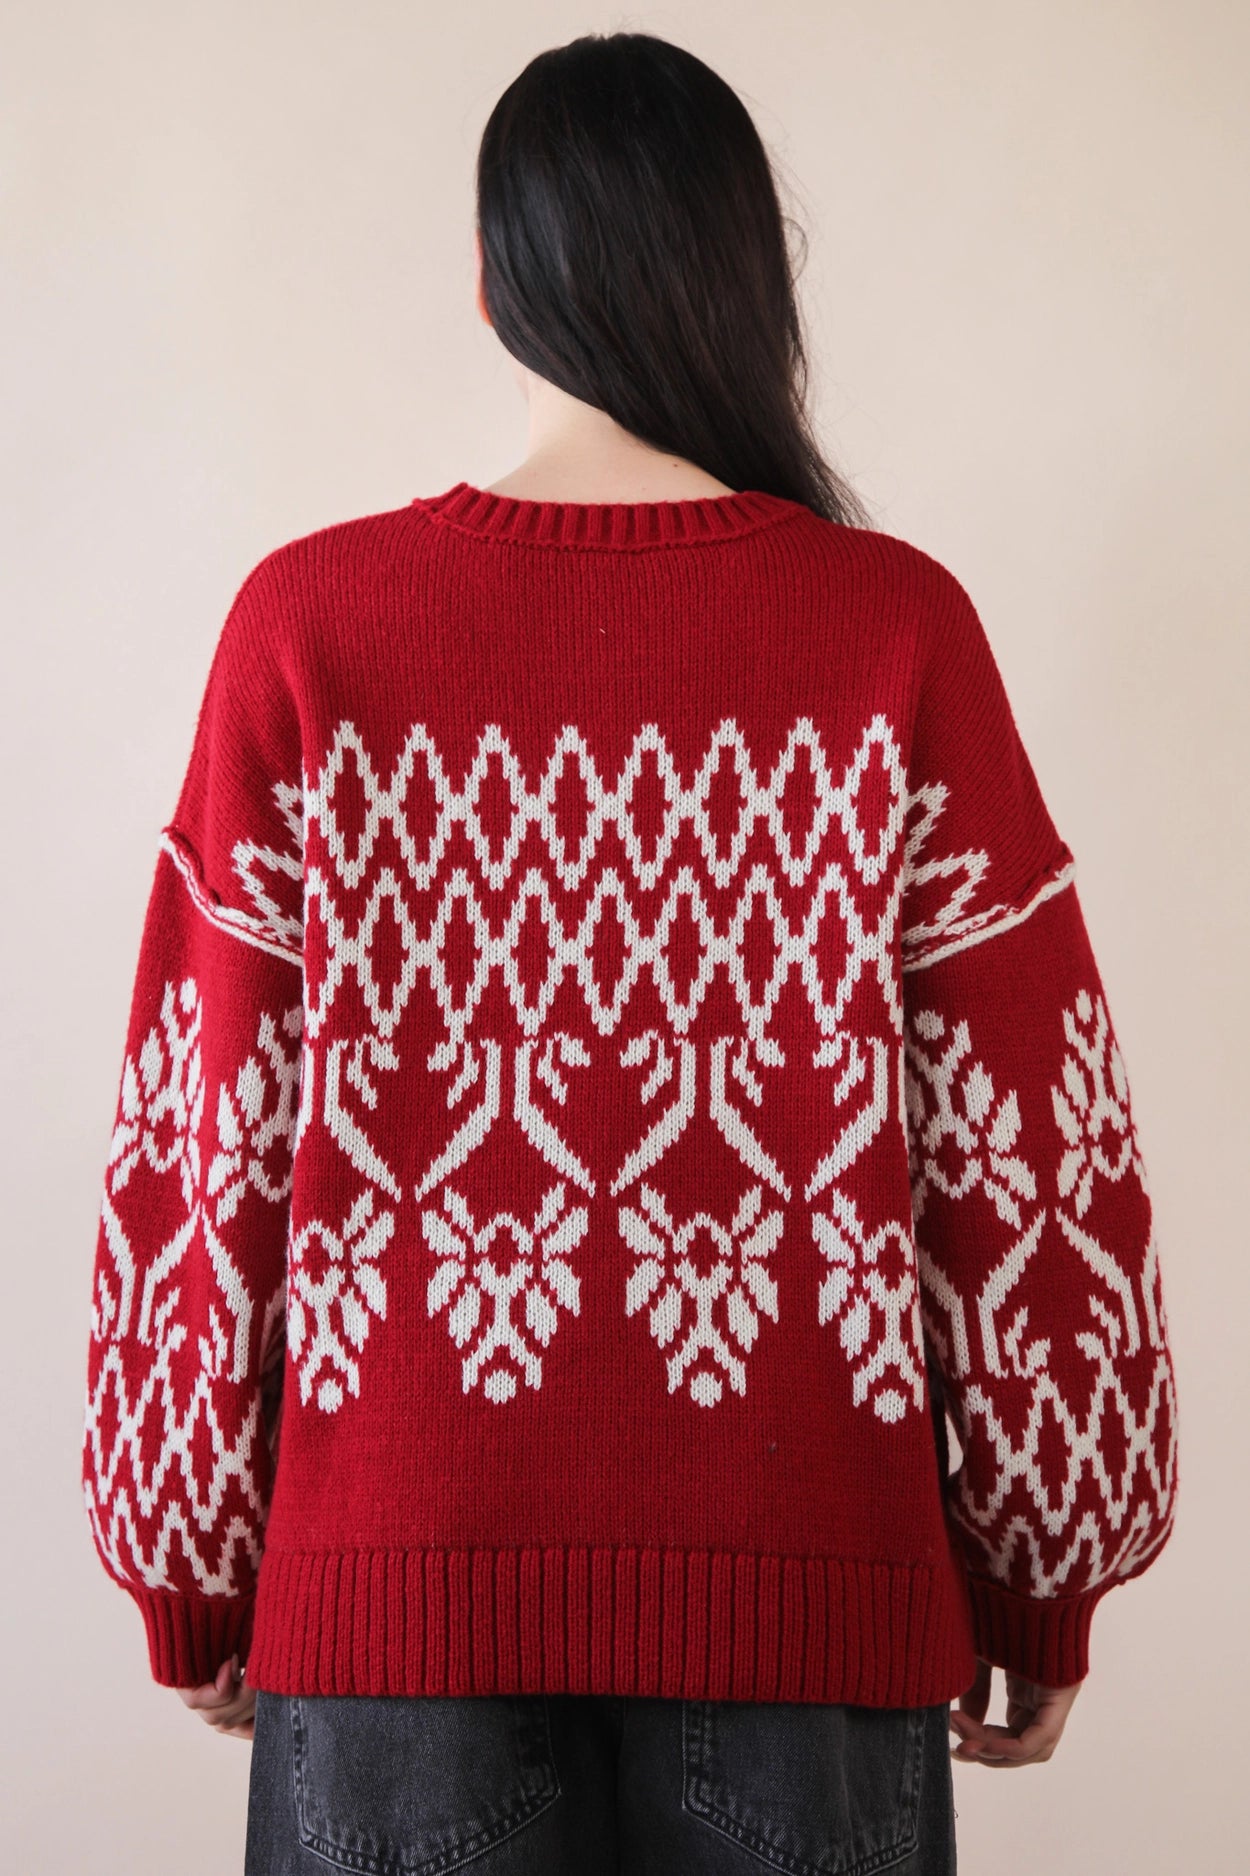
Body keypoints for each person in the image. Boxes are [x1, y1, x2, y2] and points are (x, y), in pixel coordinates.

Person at [80, 30, 1179, 1875]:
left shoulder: (308, 627)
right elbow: (1027, 1137)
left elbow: (204, 1136)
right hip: (815, 1632)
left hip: (398, 1621)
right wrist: (1042, 1570)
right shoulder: (892, 629)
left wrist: (187, 1555)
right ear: (750, 279)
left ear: (490, 284)